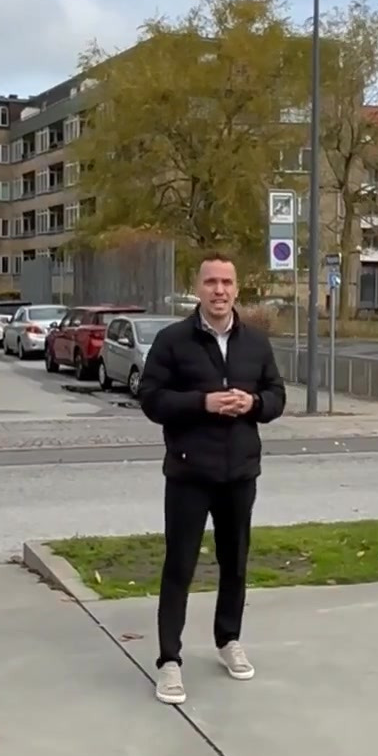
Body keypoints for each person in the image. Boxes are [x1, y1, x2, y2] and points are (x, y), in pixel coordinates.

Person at [138, 255, 286, 704]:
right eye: (210, 282)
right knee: (179, 566)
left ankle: (228, 638)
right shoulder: (173, 340)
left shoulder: (255, 342)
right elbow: (151, 399)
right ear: (197, 288)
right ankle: (169, 661)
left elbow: (277, 395)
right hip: (189, 472)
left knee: (234, 561)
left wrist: (253, 404)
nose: (219, 291)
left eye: (226, 282)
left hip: (239, 472)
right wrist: (202, 403)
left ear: (237, 288)